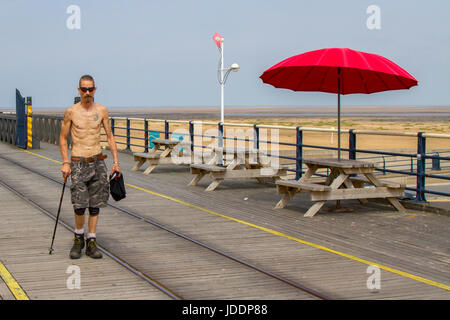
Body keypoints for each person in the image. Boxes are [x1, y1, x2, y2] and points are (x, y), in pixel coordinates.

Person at [60, 74, 121, 259]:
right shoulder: (71, 111)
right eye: (84, 89)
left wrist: (116, 162)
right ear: (79, 90)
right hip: (78, 162)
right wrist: (65, 162)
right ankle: (78, 238)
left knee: (96, 204)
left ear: (95, 90)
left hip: (98, 160)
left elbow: (110, 136)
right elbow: (63, 138)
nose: (87, 92)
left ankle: (92, 241)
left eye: (90, 89)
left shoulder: (102, 110)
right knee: (79, 204)